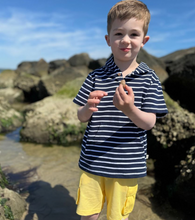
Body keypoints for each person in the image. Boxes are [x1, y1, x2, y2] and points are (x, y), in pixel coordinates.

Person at [73, 0, 168, 219]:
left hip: (126, 166)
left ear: (144, 40)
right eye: (118, 34)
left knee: (118, 216)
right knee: (88, 214)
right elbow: (81, 117)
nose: (125, 40)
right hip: (92, 161)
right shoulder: (95, 76)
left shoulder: (149, 78)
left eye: (134, 34)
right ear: (108, 39)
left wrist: (130, 109)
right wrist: (87, 107)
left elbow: (149, 123)